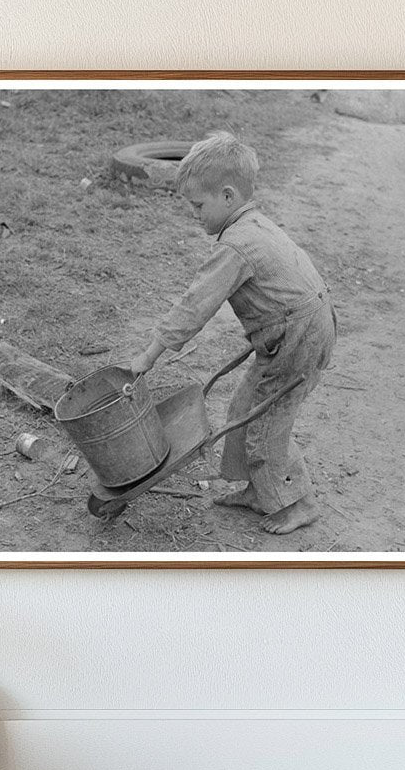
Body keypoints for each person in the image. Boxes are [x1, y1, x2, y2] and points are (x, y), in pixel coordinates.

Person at [128, 130, 336, 535]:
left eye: (198, 205)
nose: (194, 214)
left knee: (266, 420)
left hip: (299, 335)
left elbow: (195, 305)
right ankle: (261, 490)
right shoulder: (252, 223)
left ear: (227, 196)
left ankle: (298, 502)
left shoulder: (236, 246)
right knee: (244, 408)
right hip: (296, 327)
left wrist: (149, 354)